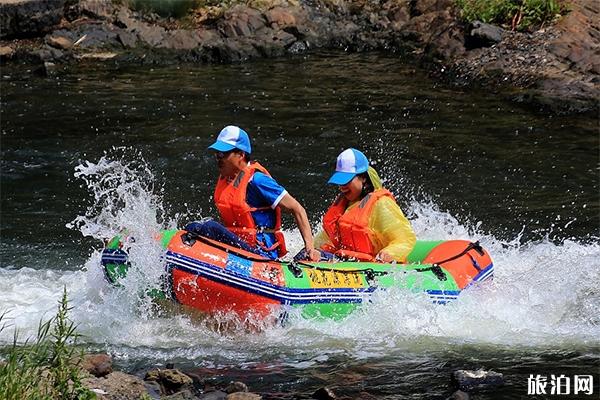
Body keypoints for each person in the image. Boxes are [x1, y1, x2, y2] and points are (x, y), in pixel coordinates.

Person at [186, 125, 320, 261]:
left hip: (261, 253)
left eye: (223, 153)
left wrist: (310, 248)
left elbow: (297, 209)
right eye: (217, 154)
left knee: (209, 227)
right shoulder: (227, 180)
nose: (218, 158)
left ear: (241, 155)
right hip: (241, 247)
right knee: (200, 225)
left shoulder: (257, 180)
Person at [314, 148, 416, 263]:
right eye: (340, 181)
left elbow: (405, 239)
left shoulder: (381, 204)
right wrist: (312, 249)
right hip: (349, 263)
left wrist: (388, 254)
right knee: (305, 255)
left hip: (374, 267)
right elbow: (326, 238)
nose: (342, 186)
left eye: (346, 180)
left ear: (363, 177)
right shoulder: (345, 205)